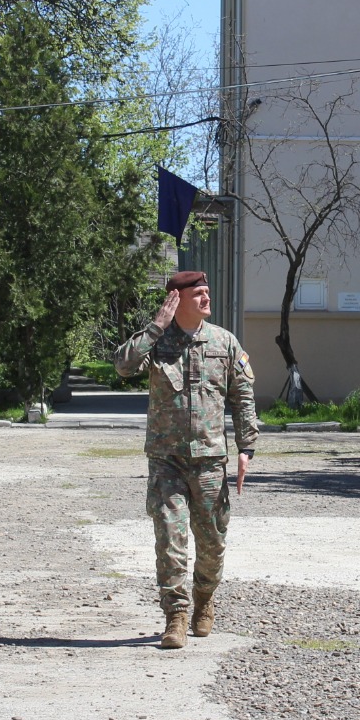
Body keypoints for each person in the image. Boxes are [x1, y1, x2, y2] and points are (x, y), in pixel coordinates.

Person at [115, 271, 259, 650]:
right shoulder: (157, 341)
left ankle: (205, 599)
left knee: (212, 542)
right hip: (167, 460)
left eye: (208, 292)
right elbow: (123, 366)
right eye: (198, 293)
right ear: (176, 299)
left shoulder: (224, 342)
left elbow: (243, 396)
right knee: (170, 538)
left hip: (211, 460)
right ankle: (175, 615)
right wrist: (155, 326)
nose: (206, 299)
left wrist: (246, 448)